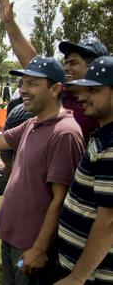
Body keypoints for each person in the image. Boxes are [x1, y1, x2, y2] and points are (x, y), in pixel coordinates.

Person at [0, 56, 84, 284]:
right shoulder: (32, 123)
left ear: (55, 88)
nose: (23, 89)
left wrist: (40, 249)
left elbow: (60, 199)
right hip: (12, 238)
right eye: (22, 83)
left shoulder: (65, 133)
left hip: (32, 245)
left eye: (32, 84)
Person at [0, 0, 108, 140]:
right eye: (66, 62)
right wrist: (9, 22)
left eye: (73, 63)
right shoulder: (62, 93)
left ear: (95, 67)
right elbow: (33, 64)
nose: (66, 67)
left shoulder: (102, 106)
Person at [55, 56, 113, 284]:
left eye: (94, 90)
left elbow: (108, 221)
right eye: (83, 89)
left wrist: (78, 276)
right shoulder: (102, 136)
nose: (82, 97)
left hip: (93, 276)